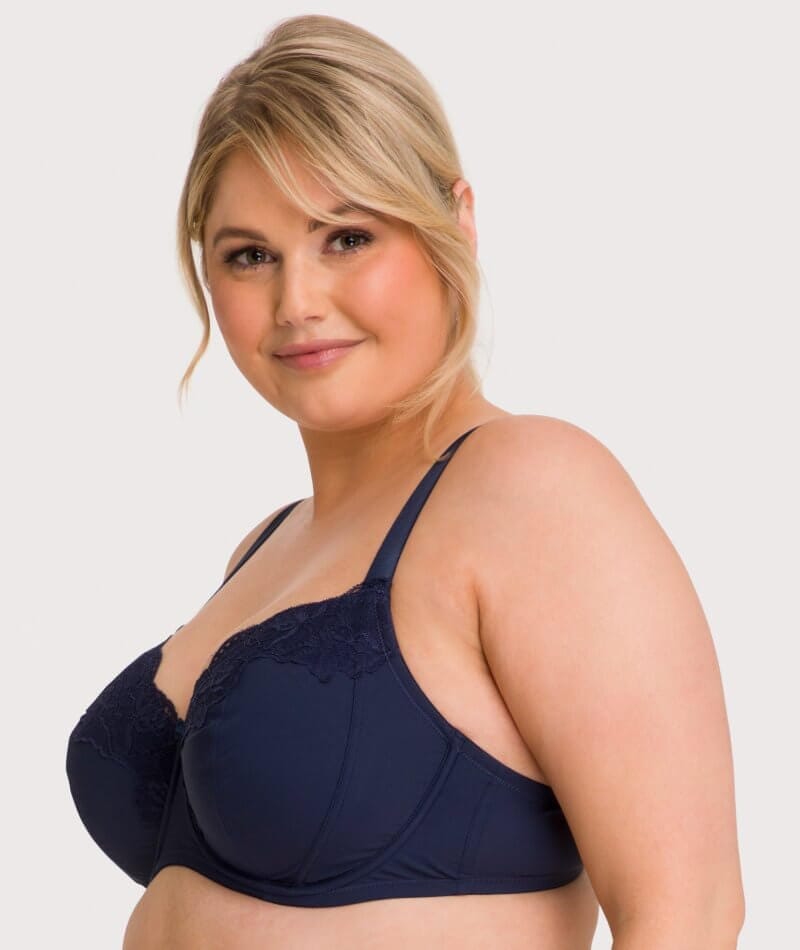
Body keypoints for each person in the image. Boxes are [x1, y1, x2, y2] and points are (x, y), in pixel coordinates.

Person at [66, 13, 745, 949]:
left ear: (455, 222)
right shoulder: (267, 546)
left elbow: (687, 915)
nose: (297, 302)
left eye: (346, 237)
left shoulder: (532, 489)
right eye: (250, 255)